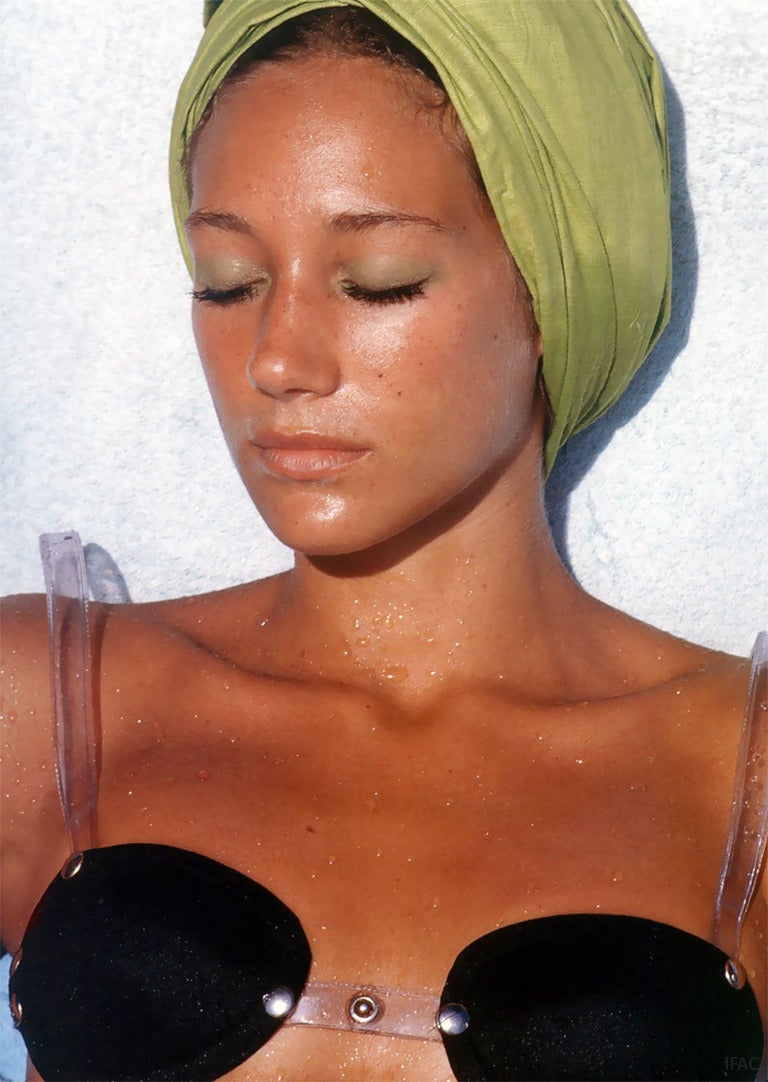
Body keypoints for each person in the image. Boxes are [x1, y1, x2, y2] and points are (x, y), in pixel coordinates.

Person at [0, 1, 765, 1080]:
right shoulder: (42, 706)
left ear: (551, 292)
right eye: (230, 282)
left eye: (380, 282)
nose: (277, 359)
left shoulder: (742, 776)